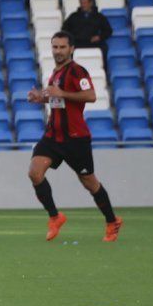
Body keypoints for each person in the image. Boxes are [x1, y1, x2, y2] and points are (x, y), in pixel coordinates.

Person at [26, 32, 122, 242]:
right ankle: (55, 217)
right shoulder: (55, 74)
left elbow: (91, 96)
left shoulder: (78, 71)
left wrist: (61, 93)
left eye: (62, 47)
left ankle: (112, 220)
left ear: (71, 49)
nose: (58, 51)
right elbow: (56, 99)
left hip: (75, 138)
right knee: (34, 172)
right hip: (53, 135)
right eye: (55, 47)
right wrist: (40, 98)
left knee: (89, 182)